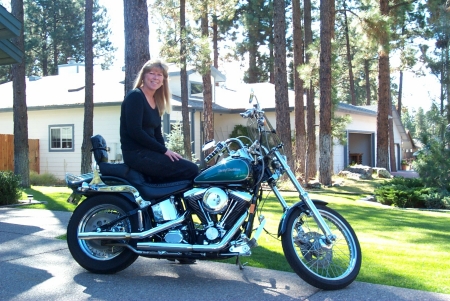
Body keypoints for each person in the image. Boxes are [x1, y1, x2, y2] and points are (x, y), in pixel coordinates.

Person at [120, 60, 199, 182]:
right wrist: (164, 151)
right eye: (152, 73)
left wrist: (165, 152)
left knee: (186, 166)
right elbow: (135, 131)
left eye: (159, 75)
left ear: (163, 81)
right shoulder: (135, 96)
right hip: (136, 154)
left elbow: (157, 134)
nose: (155, 78)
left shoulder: (156, 101)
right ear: (144, 76)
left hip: (149, 152)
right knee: (191, 169)